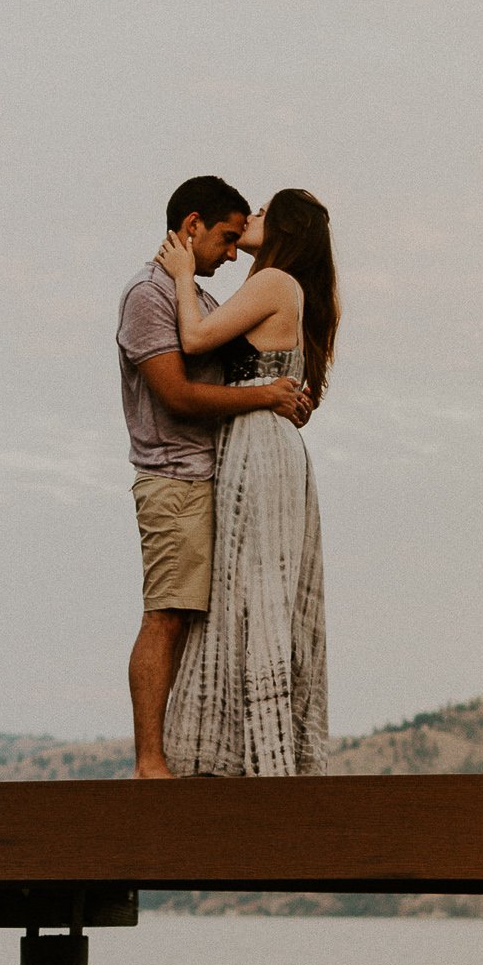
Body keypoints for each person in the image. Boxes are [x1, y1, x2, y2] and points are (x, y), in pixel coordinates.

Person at [118, 176, 311, 779]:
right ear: (191, 224)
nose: (232, 254)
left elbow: (248, 368)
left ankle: (201, 752)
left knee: (204, 620)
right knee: (168, 613)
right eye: (226, 239)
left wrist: (285, 396)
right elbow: (175, 395)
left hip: (216, 475)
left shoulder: (196, 298)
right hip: (173, 476)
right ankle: (151, 762)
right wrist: (263, 401)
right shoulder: (150, 295)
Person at [156, 187, 338, 777]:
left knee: (250, 591)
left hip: (258, 446)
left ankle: (254, 760)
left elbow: (195, 340)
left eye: (260, 213)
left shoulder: (275, 281)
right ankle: (260, 750)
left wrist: (182, 273)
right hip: (268, 443)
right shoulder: (288, 288)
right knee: (254, 592)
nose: (249, 221)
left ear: (280, 226)